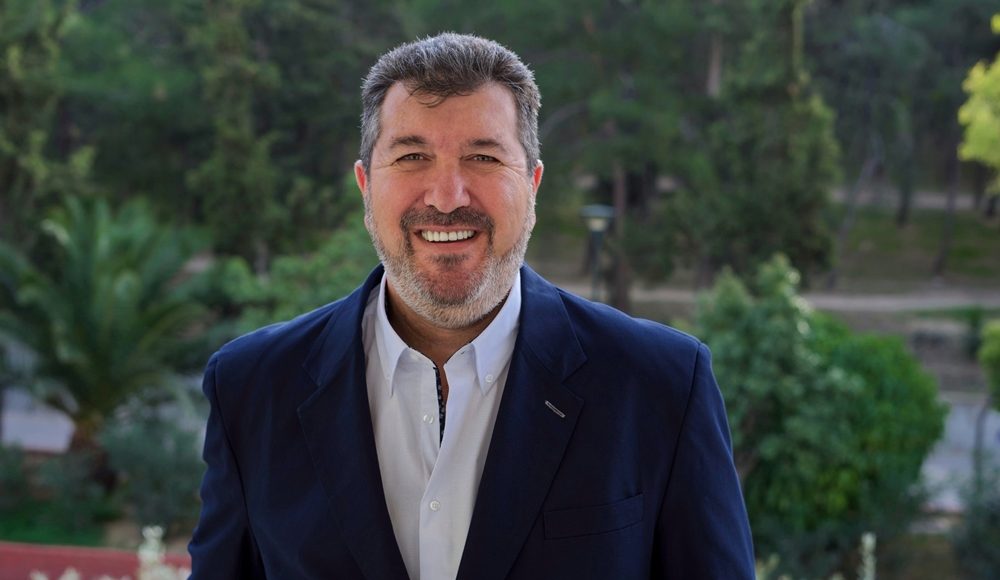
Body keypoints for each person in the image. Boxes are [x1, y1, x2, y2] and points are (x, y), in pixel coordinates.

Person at [188, 33, 754, 579]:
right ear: (365, 185)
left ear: (532, 184)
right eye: (412, 156)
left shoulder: (661, 385)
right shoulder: (251, 388)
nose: (446, 197)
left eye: (482, 157)